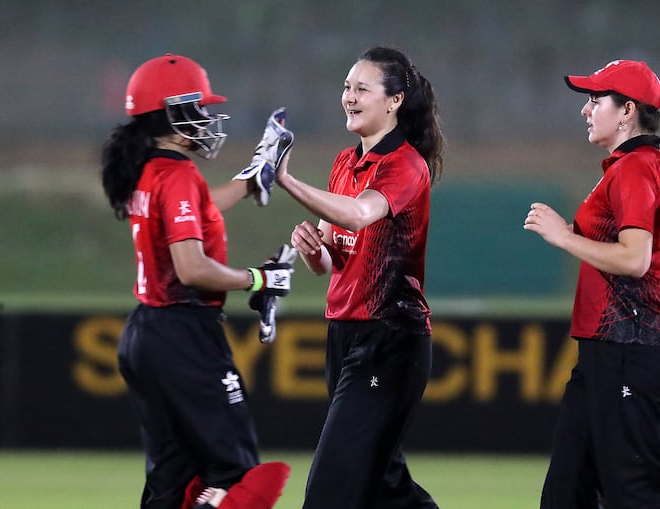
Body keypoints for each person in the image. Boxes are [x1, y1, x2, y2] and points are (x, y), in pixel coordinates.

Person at [100, 53, 293, 509]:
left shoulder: (150, 171)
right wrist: (258, 278)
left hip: (145, 333)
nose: (206, 118)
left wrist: (250, 181)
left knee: (172, 489)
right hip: (184, 336)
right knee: (244, 482)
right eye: (198, 107)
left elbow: (196, 212)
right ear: (172, 113)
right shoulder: (179, 174)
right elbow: (191, 268)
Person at [523, 59, 660, 509]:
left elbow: (636, 259)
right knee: (566, 493)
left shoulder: (636, 167)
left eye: (594, 100)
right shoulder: (655, 168)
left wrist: (566, 237)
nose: (586, 110)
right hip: (611, 353)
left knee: (637, 497)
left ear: (626, 111)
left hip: (632, 350)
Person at [274, 46, 444, 509]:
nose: (349, 96)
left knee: (329, 489)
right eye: (347, 87)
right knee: (385, 485)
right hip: (344, 334)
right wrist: (313, 252)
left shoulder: (406, 165)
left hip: (390, 338)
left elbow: (356, 216)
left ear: (393, 101)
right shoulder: (345, 162)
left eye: (362, 89)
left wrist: (285, 180)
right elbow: (333, 258)